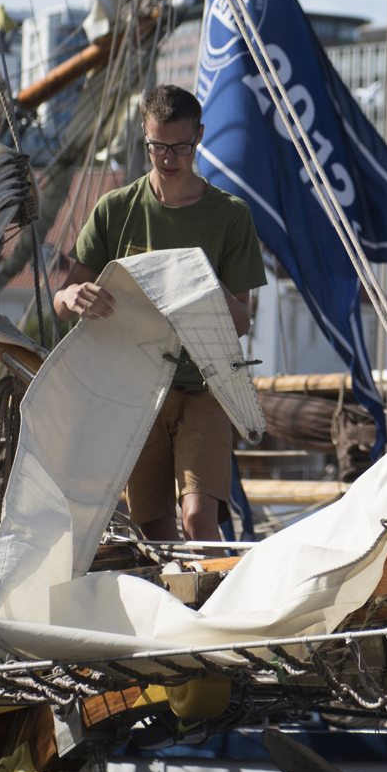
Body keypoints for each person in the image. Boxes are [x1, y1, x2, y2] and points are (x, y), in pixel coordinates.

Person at [54, 85, 265, 543]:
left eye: (181, 147)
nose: (169, 157)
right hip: (134, 393)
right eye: (158, 147)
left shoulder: (231, 215)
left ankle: (213, 609)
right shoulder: (115, 209)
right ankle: (177, 610)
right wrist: (72, 298)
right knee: (153, 532)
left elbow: (242, 321)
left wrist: (199, 281)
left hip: (205, 386)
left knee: (198, 521)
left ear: (200, 136)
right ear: (144, 139)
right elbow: (62, 297)